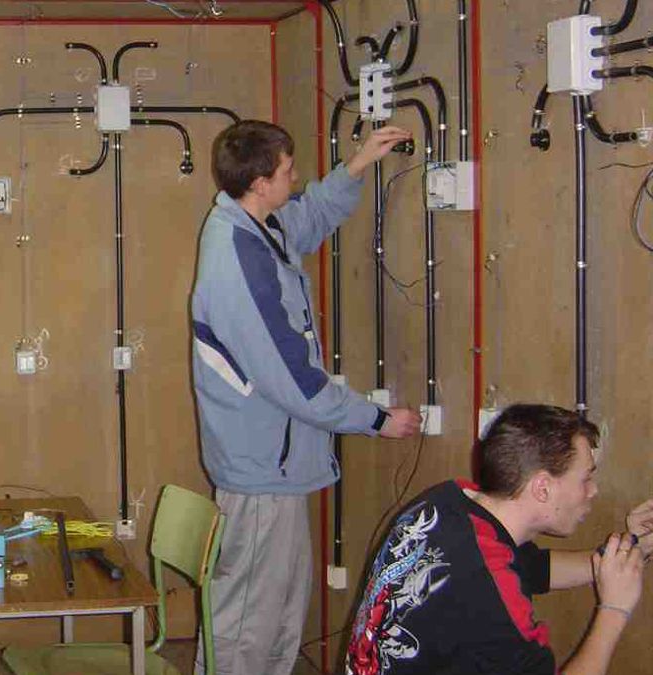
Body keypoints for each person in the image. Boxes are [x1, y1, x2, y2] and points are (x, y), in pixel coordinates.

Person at [190, 119, 423, 675]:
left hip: (276, 465)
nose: (296, 178)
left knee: (277, 620)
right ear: (262, 182)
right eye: (289, 171)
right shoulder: (237, 257)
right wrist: (375, 419)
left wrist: (359, 163)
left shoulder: (250, 224)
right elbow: (292, 379)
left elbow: (308, 218)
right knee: (245, 628)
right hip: (260, 472)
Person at [346, 403, 652, 675]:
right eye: (586, 479)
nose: (593, 491)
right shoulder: (489, 594)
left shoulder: (446, 501)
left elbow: (533, 567)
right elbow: (492, 584)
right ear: (542, 488)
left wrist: (627, 551)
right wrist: (614, 609)